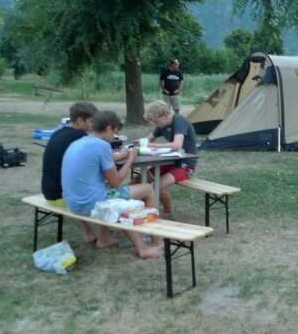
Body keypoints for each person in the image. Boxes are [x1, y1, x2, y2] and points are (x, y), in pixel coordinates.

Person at [62, 110, 164, 259]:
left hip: (73, 202)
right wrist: (130, 159)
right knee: (147, 189)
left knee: (107, 189)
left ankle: (104, 238)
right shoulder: (102, 146)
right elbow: (116, 182)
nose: (114, 137)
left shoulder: (79, 142)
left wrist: (120, 156)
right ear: (109, 128)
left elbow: (97, 161)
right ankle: (152, 244)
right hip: (91, 203)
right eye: (115, 132)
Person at [41, 102, 116, 246]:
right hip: (62, 195)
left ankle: (88, 233)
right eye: (91, 122)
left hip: (48, 191)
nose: (92, 126)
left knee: (82, 184)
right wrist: (121, 155)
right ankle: (103, 237)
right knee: (98, 188)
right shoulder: (79, 136)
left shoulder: (59, 132)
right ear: (80, 120)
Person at [139, 100, 197, 219]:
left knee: (157, 185)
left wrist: (154, 146)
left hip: (185, 165)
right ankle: (139, 210)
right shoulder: (162, 124)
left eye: (156, 121)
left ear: (165, 116)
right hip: (169, 161)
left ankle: (168, 213)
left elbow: (177, 145)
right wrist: (139, 143)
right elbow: (148, 139)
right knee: (138, 181)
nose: (155, 124)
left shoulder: (179, 121)